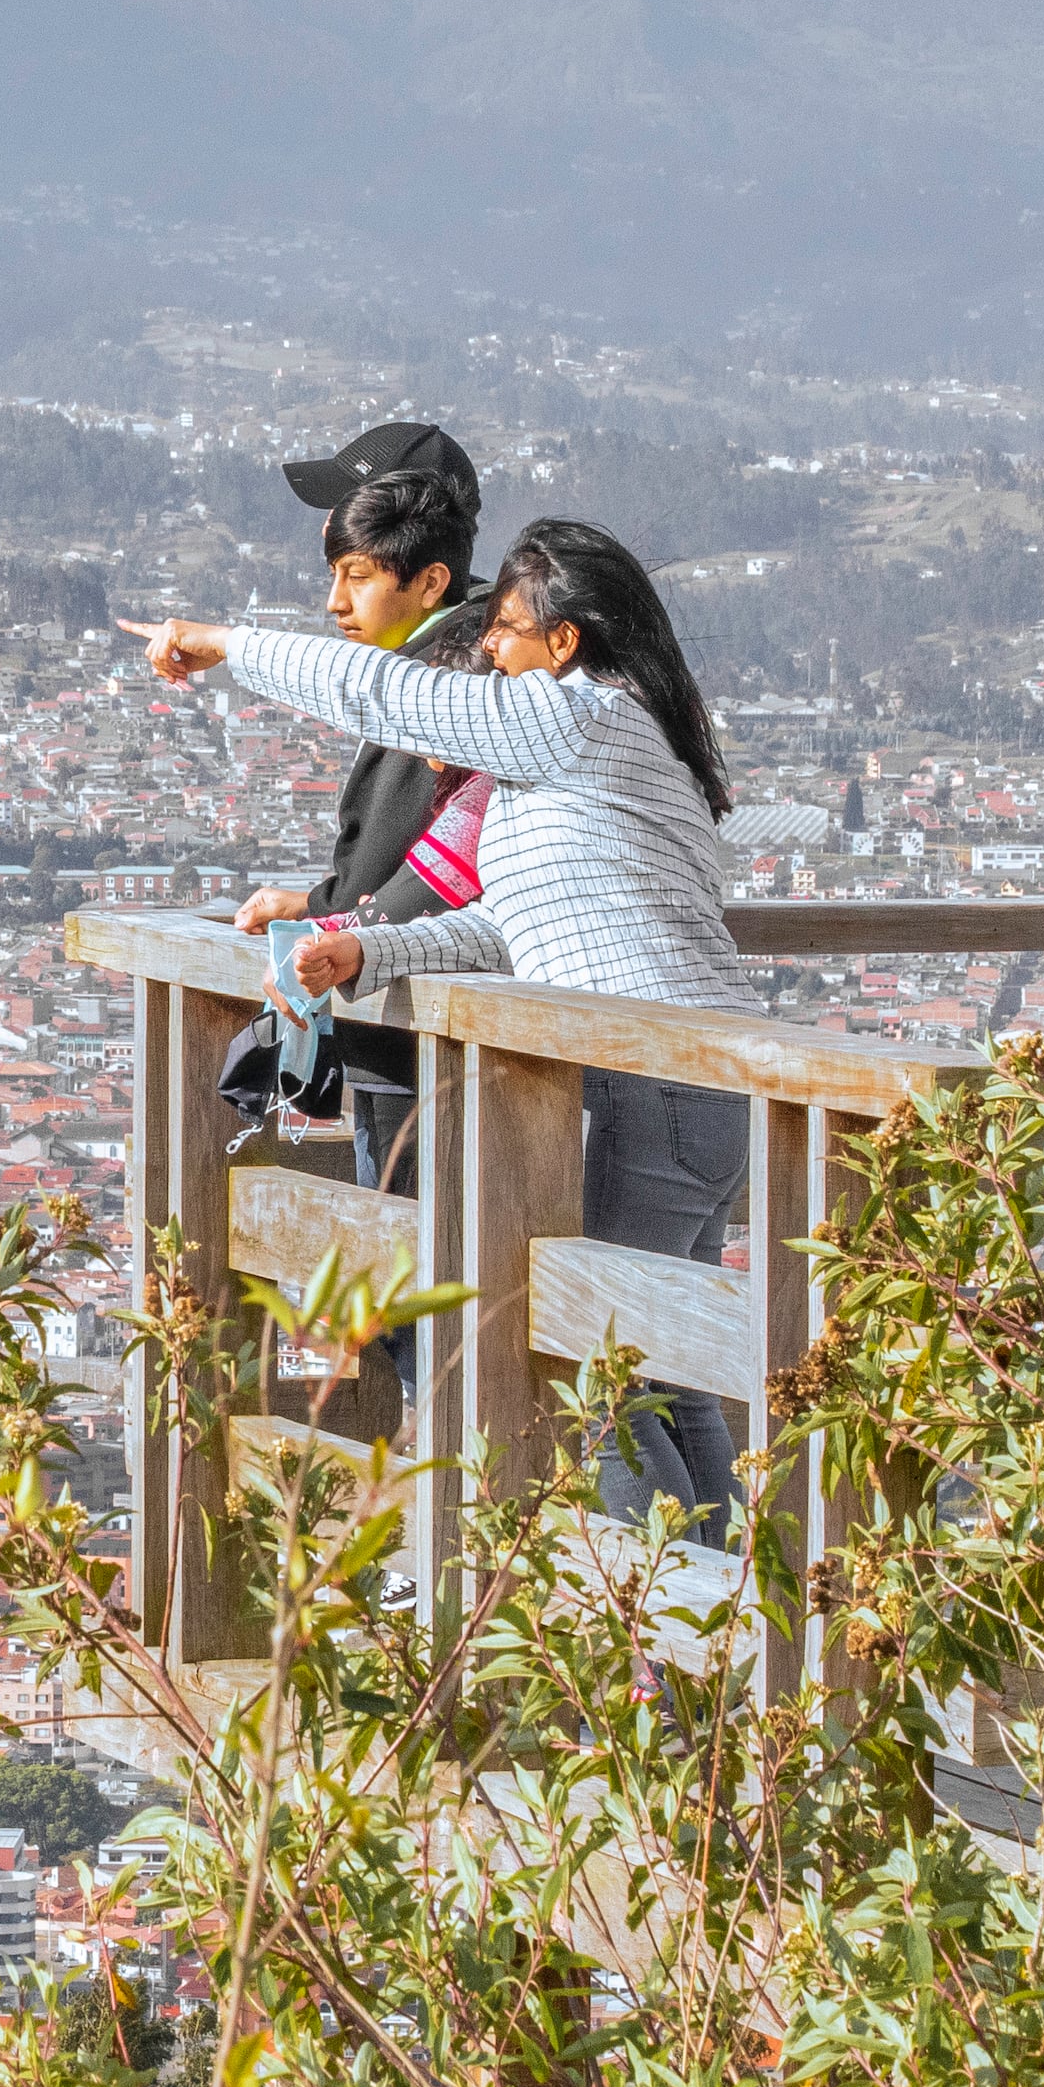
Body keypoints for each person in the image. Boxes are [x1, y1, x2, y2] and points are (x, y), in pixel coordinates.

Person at [127, 519, 810, 1538]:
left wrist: (227, 642)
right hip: (683, 1081)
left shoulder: (576, 717)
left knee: (587, 1372)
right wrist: (370, 950)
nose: (488, 649)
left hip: (658, 1082)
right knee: (661, 1377)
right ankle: (734, 1638)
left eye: (502, 629)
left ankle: (678, 1647)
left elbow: (389, 690)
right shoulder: (595, 752)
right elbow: (515, 924)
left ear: (563, 642)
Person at [238, 426, 490, 935]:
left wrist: (326, 910)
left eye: (347, 507)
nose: (328, 524)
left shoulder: (440, 671)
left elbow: (376, 867)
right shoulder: (485, 623)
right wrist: (314, 902)